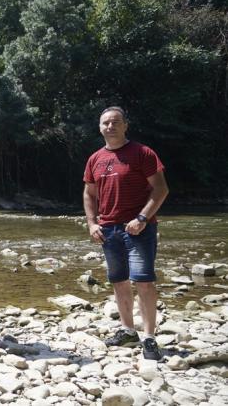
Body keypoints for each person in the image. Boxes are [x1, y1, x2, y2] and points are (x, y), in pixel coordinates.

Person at [83, 106, 169, 360]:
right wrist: (91, 223)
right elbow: (89, 193)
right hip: (108, 230)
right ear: (100, 127)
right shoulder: (95, 158)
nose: (110, 126)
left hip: (139, 229)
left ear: (125, 125)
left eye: (115, 122)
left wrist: (142, 218)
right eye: (106, 123)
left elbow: (161, 189)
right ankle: (128, 330)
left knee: (144, 281)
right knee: (119, 281)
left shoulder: (143, 153)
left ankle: (150, 338)